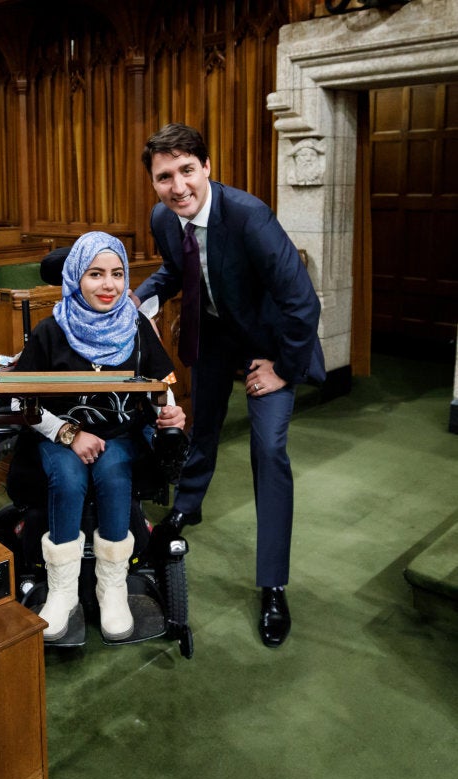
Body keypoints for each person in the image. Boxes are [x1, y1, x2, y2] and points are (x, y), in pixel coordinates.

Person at [132, 123, 325, 648]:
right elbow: (176, 270)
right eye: (164, 176)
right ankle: (185, 506)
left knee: (268, 448)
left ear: (207, 168)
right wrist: (140, 299)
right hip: (215, 333)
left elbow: (302, 302)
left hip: (272, 341)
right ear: (153, 181)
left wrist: (282, 367)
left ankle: (273, 584)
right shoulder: (163, 219)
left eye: (187, 171)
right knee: (204, 424)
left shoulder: (250, 216)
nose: (178, 187)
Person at [13, 231, 185, 643]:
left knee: (113, 475)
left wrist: (169, 411)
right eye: (95, 274)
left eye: (117, 274)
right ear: (76, 277)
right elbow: (24, 402)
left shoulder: (137, 325)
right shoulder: (50, 330)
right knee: (69, 479)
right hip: (58, 434)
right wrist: (70, 434)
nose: (108, 285)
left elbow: (161, 384)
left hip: (121, 433)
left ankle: (112, 587)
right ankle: (62, 592)